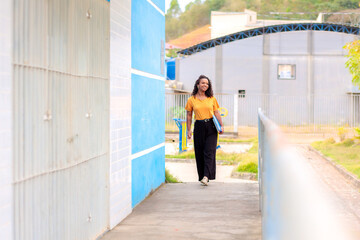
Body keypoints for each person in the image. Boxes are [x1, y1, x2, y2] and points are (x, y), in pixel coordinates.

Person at [185, 75, 224, 186]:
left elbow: (216, 112)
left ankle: (206, 176)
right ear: (198, 84)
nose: (205, 85)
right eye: (203, 83)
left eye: (207, 83)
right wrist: (189, 130)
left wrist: (221, 126)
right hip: (198, 127)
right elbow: (189, 115)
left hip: (211, 126)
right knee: (199, 152)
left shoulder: (212, 98)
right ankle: (202, 175)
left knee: (210, 151)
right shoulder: (191, 99)